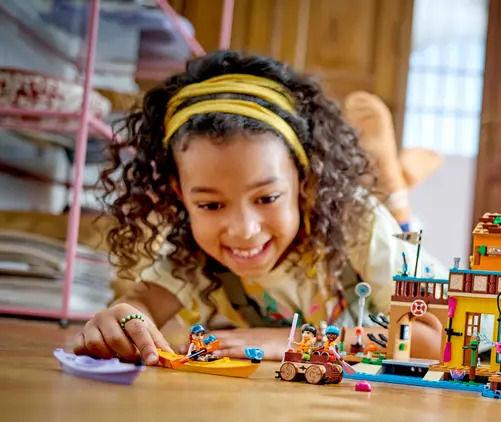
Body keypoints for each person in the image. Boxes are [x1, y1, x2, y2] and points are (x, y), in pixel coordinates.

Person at [74, 50, 442, 364]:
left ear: (305, 179)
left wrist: (294, 341)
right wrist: (122, 320)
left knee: (399, 224)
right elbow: (138, 305)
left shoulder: (356, 222)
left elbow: (431, 338)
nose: (244, 230)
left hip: (410, 266)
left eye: (267, 198)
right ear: (180, 194)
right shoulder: (193, 258)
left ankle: (395, 187)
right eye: (210, 204)